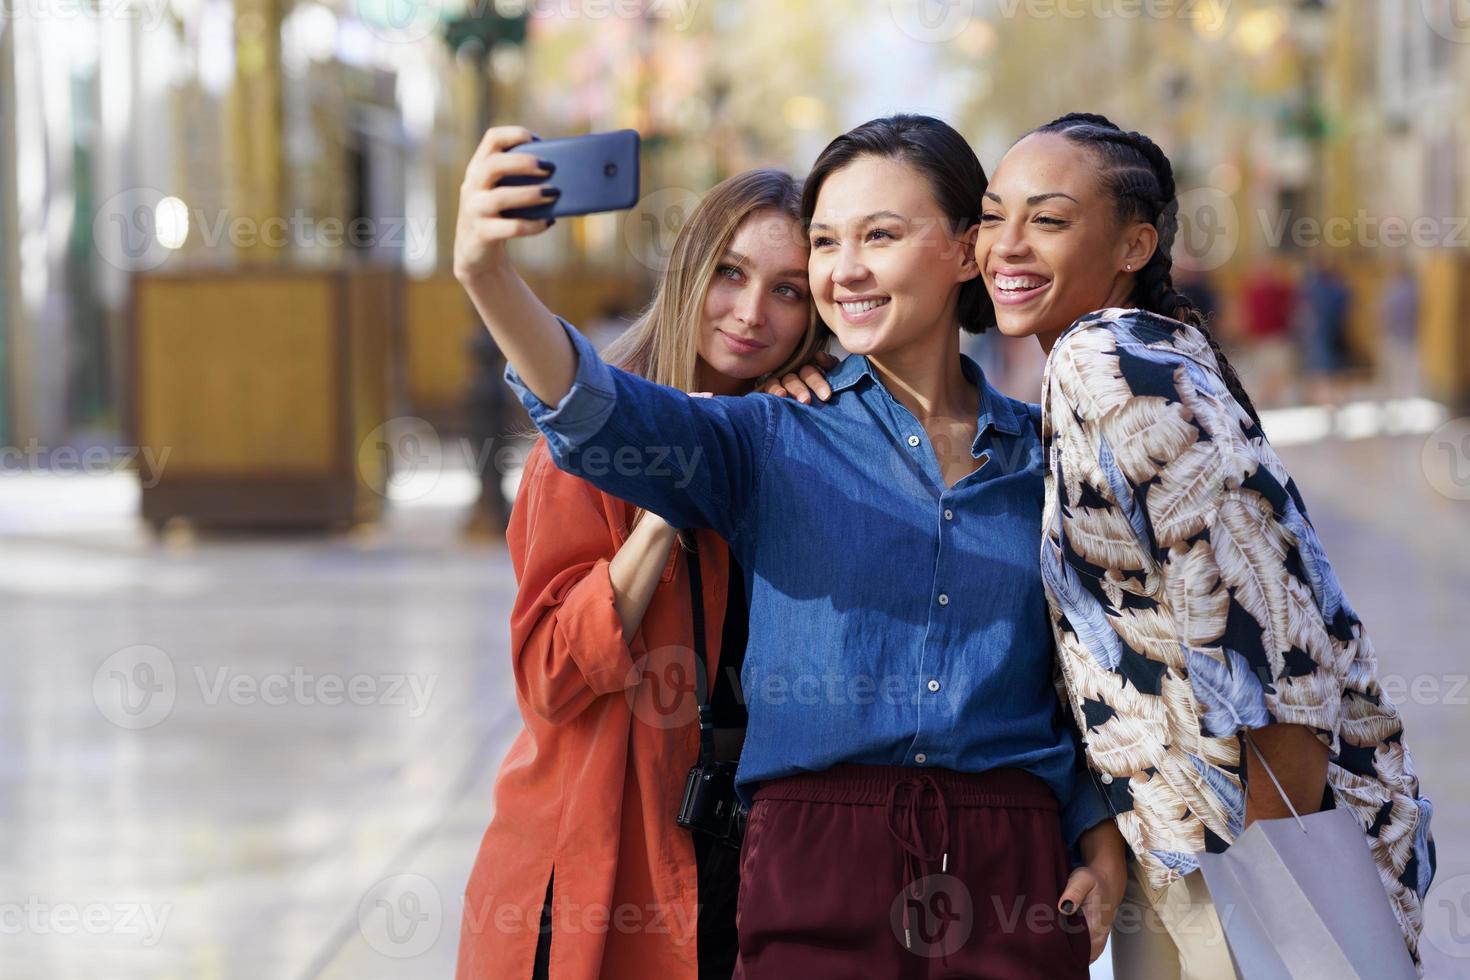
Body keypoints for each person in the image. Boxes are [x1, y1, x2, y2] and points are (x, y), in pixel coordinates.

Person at [452, 115, 1127, 979]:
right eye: (826, 242)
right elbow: (591, 409)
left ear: (967, 250)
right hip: (805, 863)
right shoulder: (767, 434)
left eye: (879, 235)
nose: (844, 268)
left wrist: (1097, 833)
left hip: (1011, 868)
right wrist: (486, 272)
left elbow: (1084, 677)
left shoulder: (1050, 452)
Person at [770, 111, 1436, 979]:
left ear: (1133, 245)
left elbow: (1276, 640)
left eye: (1047, 221)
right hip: (1194, 842)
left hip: (1236, 855)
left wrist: (1290, 887)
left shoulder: (1101, 360)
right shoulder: (1135, 355)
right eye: (995, 217)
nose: (1005, 247)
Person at [454, 168, 829, 980]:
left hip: (739, 855)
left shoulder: (801, 434)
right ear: (691, 267)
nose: (751, 313)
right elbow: (549, 678)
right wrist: (667, 500)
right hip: (593, 857)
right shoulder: (592, 445)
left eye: (789, 290)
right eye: (730, 273)